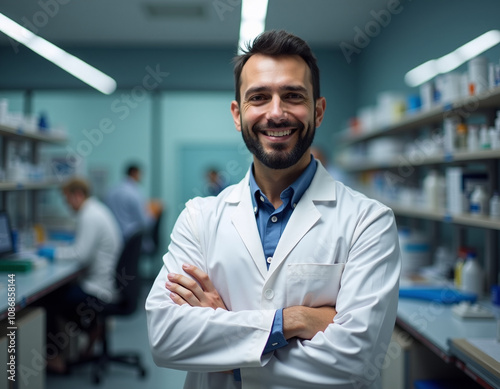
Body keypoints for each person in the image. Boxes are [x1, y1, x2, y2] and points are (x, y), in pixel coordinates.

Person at [146, 30, 401, 389]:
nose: (276, 112)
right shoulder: (199, 219)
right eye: (259, 97)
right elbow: (165, 337)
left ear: (318, 110)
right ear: (238, 114)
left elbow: (357, 359)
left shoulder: (368, 222)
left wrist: (227, 348)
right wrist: (294, 320)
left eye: (293, 96)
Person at [37, 177, 123, 372]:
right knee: (63, 293)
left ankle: (55, 358)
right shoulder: (97, 209)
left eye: (67, 200)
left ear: (77, 195)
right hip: (108, 283)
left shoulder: (89, 215)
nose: (67, 205)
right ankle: (92, 331)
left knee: (47, 300)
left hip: (99, 288)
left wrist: (52, 252)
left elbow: (81, 255)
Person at [106, 164, 163, 253]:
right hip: (131, 240)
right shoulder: (135, 193)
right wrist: (154, 213)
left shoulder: (111, 191)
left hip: (114, 238)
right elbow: (145, 222)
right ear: (134, 173)